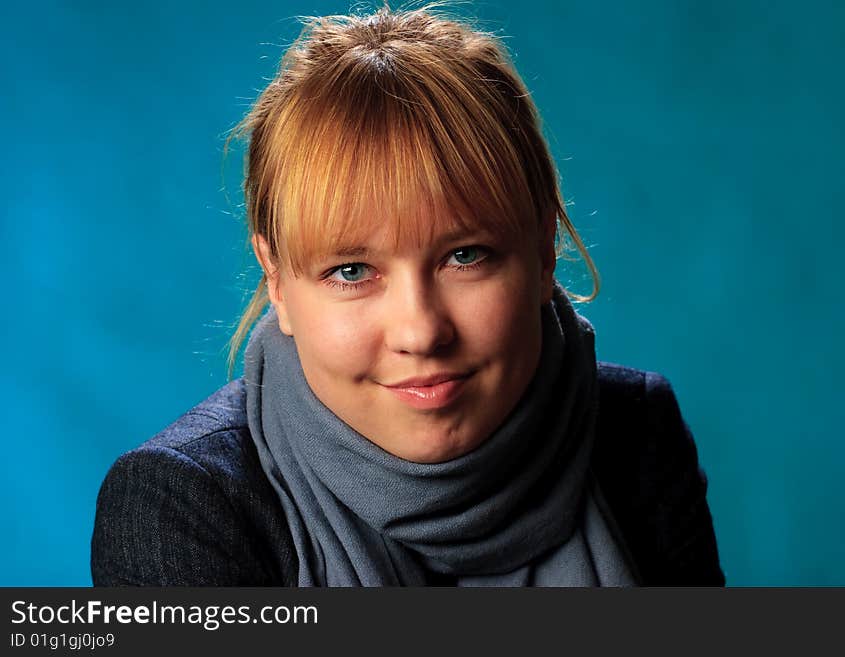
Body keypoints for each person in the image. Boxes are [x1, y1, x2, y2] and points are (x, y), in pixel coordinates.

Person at [91, 3, 724, 586]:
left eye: (465, 256)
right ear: (277, 280)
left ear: (542, 253)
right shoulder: (183, 504)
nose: (420, 332)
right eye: (350, 271)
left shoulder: (635, 430)